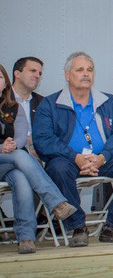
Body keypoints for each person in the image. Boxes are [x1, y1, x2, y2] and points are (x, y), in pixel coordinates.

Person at [32, 51, 113, 245]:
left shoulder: (108, 102)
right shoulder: (50, 104)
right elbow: (43, 140)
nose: (86, 74)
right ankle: (77, 227)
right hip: (68, 161)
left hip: (102, 159)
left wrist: (103, 156)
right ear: (67, 75)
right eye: (80, 69)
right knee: (56, 167)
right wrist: (74, 157)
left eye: (90, 70)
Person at [1, 63, 76, 254]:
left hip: (9, 161)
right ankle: (56, 202)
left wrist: (13, 145)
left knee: (21, 178)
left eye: (0, 77)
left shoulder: (12, 107)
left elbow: (20, 133)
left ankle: (26, 238)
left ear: (5, 82)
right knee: (20, 156)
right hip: (9, 155)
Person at [9, 56, 44, 152]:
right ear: (17, 74)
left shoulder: (43, 103)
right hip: (9, 152)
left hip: (36, 151)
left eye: (40, 73)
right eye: (33, 71)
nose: (37, 76)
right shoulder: (3, 100)